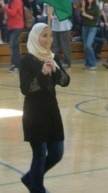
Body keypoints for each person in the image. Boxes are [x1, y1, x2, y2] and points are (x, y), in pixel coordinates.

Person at [19, 22, 70, 193]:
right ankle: (37, 188)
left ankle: (30, 178)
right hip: (34, 113)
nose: (48, 39)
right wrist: (42, 73)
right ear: (35, 37)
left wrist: (55, 69)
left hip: (52, 111)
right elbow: (26, 89)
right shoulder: (26, 60)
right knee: (40, 154)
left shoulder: (52, 57)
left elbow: (65, 81)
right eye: (44, 35)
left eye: (50, 35)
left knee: (57, 153)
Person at [0, 0, 24, 72]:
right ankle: (15, 64)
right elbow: (10, 13)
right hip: (11, 26)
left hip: (17, 26)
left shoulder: (17, 0)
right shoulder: (11, 0)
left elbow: (13, 13)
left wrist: (4, 6)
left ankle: (16, 65)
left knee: (13, 45)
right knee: (14, 46)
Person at [81, 0, 100, 70]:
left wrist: (86, 15)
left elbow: (95, 18)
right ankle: (88, 63)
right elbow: (81, 15)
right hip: (85, 27)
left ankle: (93, 63)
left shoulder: (96, 7)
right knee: (85, 47)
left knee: (89, 45)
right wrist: (83, 7)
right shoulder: (84, 6)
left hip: (92, 27)